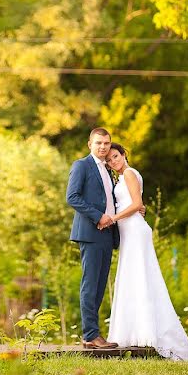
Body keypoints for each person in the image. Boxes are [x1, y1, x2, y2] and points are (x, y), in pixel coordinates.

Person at [105, 142, 188, 361]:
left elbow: (136, 202)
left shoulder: (128, 173)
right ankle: (134, 333)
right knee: (133, 279)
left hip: (135, 232)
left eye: (116, 156)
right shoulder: (124, 176)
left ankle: (147, 334)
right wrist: (134, 211)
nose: (113, 162)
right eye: (109, 160)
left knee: (140, 278)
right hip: (130, 231)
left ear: (123, 154)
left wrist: (113, 218)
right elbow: (137, 204)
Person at [65, 127, 120, 349]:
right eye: (98, 143)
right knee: (90, 284)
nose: (103, 147)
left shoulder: (108, 169)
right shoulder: (82, 165)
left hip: (107, 234)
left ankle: (92, 335)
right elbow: (72, 197)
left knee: (98, 286)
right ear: (90, 144)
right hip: (90, 233)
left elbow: (110, 199)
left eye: (106, 143)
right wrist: (98, 216)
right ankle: (90, 335)